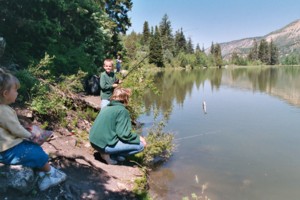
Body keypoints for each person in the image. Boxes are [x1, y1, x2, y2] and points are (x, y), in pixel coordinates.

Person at [0, 68, 66, 191]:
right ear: (5, 93)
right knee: (36, 152)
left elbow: (9, 126)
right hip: (7, 150)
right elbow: (15, 130)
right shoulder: (3, 111)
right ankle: (52, 174)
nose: (17, 93)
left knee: (32, 148)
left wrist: (24, 128)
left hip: (6, 146)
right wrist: (30, 135)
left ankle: (41, 170)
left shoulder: (4, 109)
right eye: (15, 90)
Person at [89, 87, 147, 165]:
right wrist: (139, 138)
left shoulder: (106, 107)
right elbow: (124, 134)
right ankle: (111, 156)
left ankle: (109, 153)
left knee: (122, 140)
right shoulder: (122, 111)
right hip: (104, 146)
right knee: (141, 145)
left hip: (94, 142)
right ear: (125, 98)